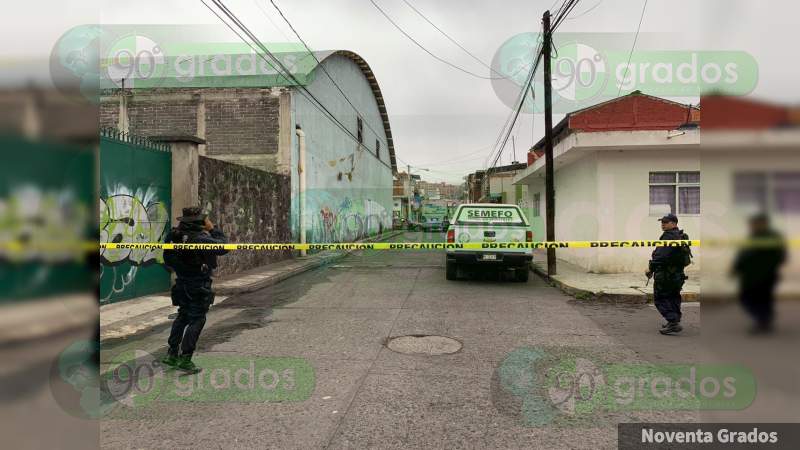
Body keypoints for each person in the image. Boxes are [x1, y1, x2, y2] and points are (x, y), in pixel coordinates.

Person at [161, 207, 228, 373]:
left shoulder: (173, 236)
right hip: (198, 285)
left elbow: (167, 259)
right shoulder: (201, 240)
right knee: (197, 319)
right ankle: (186, 358)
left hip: (181, 283)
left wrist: (182, 267)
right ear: (200, 222)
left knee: (182, 315)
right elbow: (224, 247)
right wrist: (212, 229)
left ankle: (171, 354)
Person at [731, 213, 786, 334]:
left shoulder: (773, 236)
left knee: (763, 298)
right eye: (752, 224)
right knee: (746, 298)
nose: (753, 226)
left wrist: (768, 268)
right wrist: (736, 268)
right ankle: (763, 319)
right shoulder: (753, 237)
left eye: (755, 223)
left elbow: (781, 256)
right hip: (749, 276)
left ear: (764, 223)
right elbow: (743, 255)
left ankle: (763, 321)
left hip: (766, 275)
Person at [646, 213, 691, 335]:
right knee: (673, 297)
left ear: (674, 223)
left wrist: (650, 269)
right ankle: (674, 320)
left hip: (665, 275)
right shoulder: (680, 235)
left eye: (666, 222)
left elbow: (660, 256)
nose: (663, 224)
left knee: (660, 298)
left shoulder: (668, 237)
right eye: (662, 222)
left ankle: (673, 322)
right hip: (677, 274)